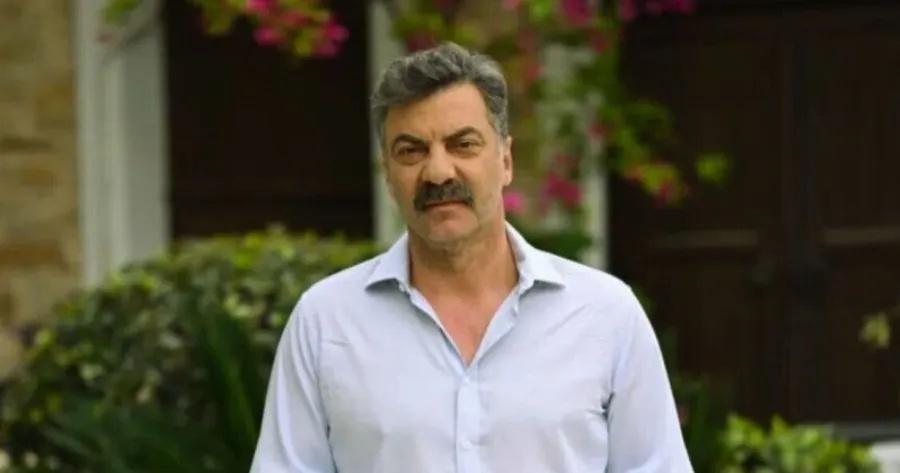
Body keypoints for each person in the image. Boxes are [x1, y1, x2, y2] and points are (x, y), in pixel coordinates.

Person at [250, 42, 692, 473]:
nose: (438, 172)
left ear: (505, 160)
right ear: (388, 174)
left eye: (462, 144)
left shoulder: (606, 315)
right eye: (411, 151)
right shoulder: (326, 323)